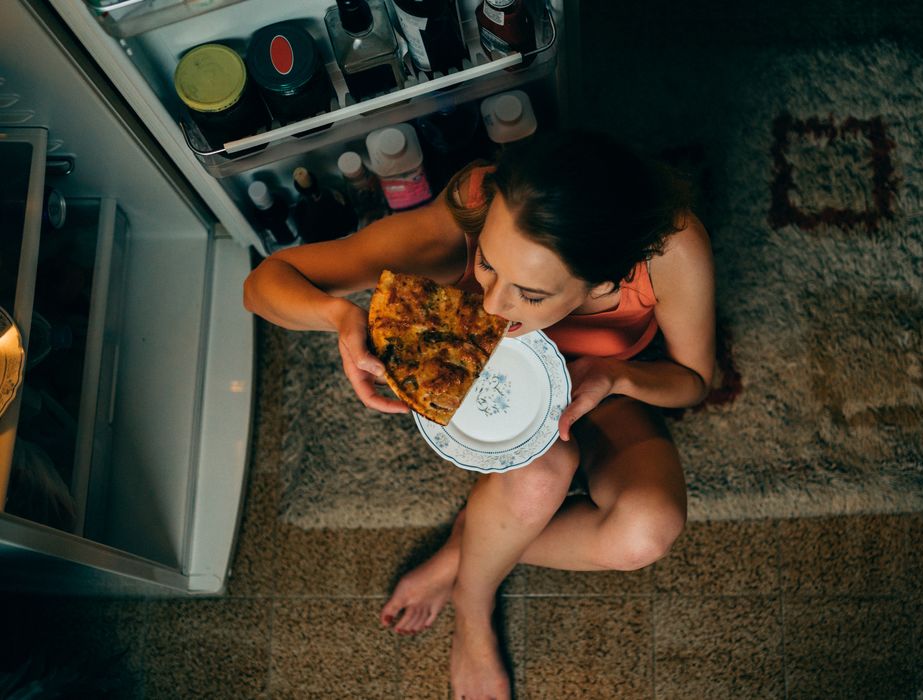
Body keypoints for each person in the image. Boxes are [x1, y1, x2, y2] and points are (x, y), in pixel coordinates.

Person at [243, 129, 717, 700]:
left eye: (531, 294)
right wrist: (339, 317)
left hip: (602, 390)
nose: (494, 306)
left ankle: (471, 542)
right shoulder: (474, 205)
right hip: (489, 387)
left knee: (646, 532)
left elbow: (693, 382)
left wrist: (618, 375)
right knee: (539, 476)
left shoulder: (671, 248)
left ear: (606, 279)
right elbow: (263, 284)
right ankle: (474, 602)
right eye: (489, 266)